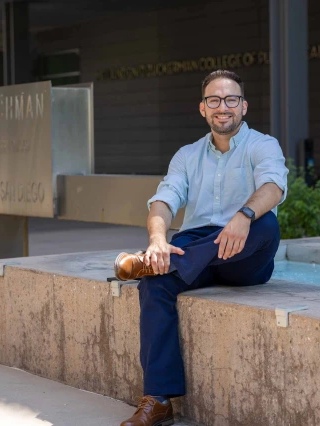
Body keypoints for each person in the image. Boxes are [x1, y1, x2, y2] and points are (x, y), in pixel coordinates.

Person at [114, 70, 289, 426]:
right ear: (202, 108)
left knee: (266, 222)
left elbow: (273, 186)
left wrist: (243, 215)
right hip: (198, 246)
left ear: (243, 106)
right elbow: (164, 201)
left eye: (230, 100)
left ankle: (165, 263)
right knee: (154, 284)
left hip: (244, 254)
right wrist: (158, 241)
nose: (222, 107)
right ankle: (158, 401)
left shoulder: (263, 144)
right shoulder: (187, 155)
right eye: (214, 100)